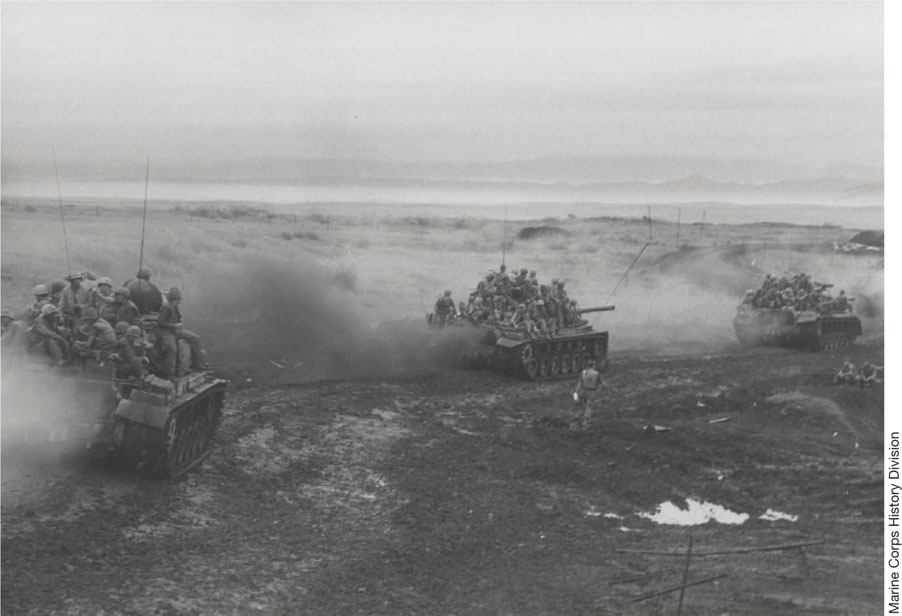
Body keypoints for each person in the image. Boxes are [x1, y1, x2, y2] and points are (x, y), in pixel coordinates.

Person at [157, 287, 205, 376]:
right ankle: (171, 374)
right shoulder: (166, 307)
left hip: (176, 331)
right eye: (179, 298)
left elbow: (177, 319)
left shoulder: (175, 307)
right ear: (175, 298)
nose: (180, 300)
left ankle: (199, 365)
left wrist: (179, 322)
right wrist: (174, 325)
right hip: (166, 332)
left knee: (195, 338)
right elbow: (160, 322)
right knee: (173, 350)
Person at [573, 359, 604, 429]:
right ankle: (585, 421)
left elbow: (580, 383)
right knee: (589, 407)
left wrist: (576, 393)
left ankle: (576, 417)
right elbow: (602, 383)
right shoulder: (596, 373)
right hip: (591, 392)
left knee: (579, 405)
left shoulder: (583, 372)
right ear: (593, 365)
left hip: (583, 391)